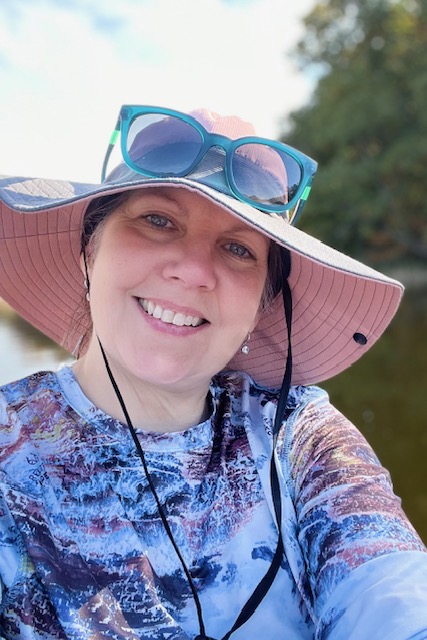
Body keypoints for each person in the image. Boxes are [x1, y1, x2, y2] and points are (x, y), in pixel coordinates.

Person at [0, 105, 426, 640]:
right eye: (158, 220)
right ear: (91, 251)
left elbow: (393, 595)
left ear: (262, 304)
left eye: (237, 248)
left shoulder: (298, 436)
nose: (195, 271)